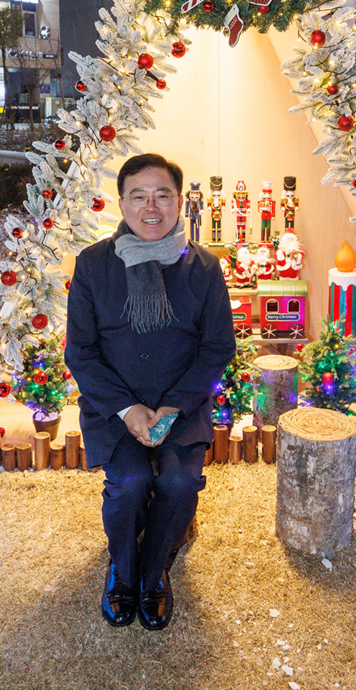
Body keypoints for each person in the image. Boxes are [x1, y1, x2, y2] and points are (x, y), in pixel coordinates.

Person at [65, 153, 236, 631]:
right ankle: (123, 570)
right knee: (129, 482)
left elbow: (218, 346)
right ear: (122, 203)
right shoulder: (93, 265)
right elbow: (81, 352)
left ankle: (155, 569)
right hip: (113, 407)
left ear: (180, 201)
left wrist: (172, 406)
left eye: (162, 195)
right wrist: (127, 409)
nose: (151, 207)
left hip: (181, 405)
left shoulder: (204, 267)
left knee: (179, 483)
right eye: (138, 196)